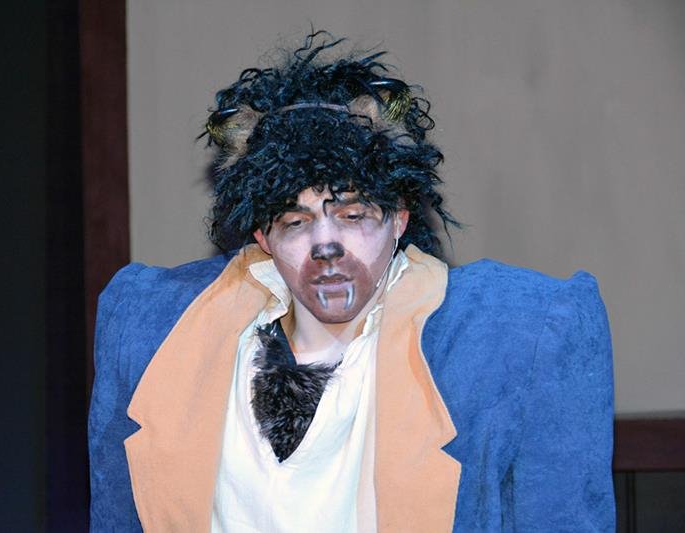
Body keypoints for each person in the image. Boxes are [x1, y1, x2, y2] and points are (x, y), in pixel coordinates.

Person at [88, 32, 614, 532]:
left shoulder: (518, 335)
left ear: (398, 219)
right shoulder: (152, 330)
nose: (326, 247)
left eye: (353, 215)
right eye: (295, 221)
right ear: (263, 236)